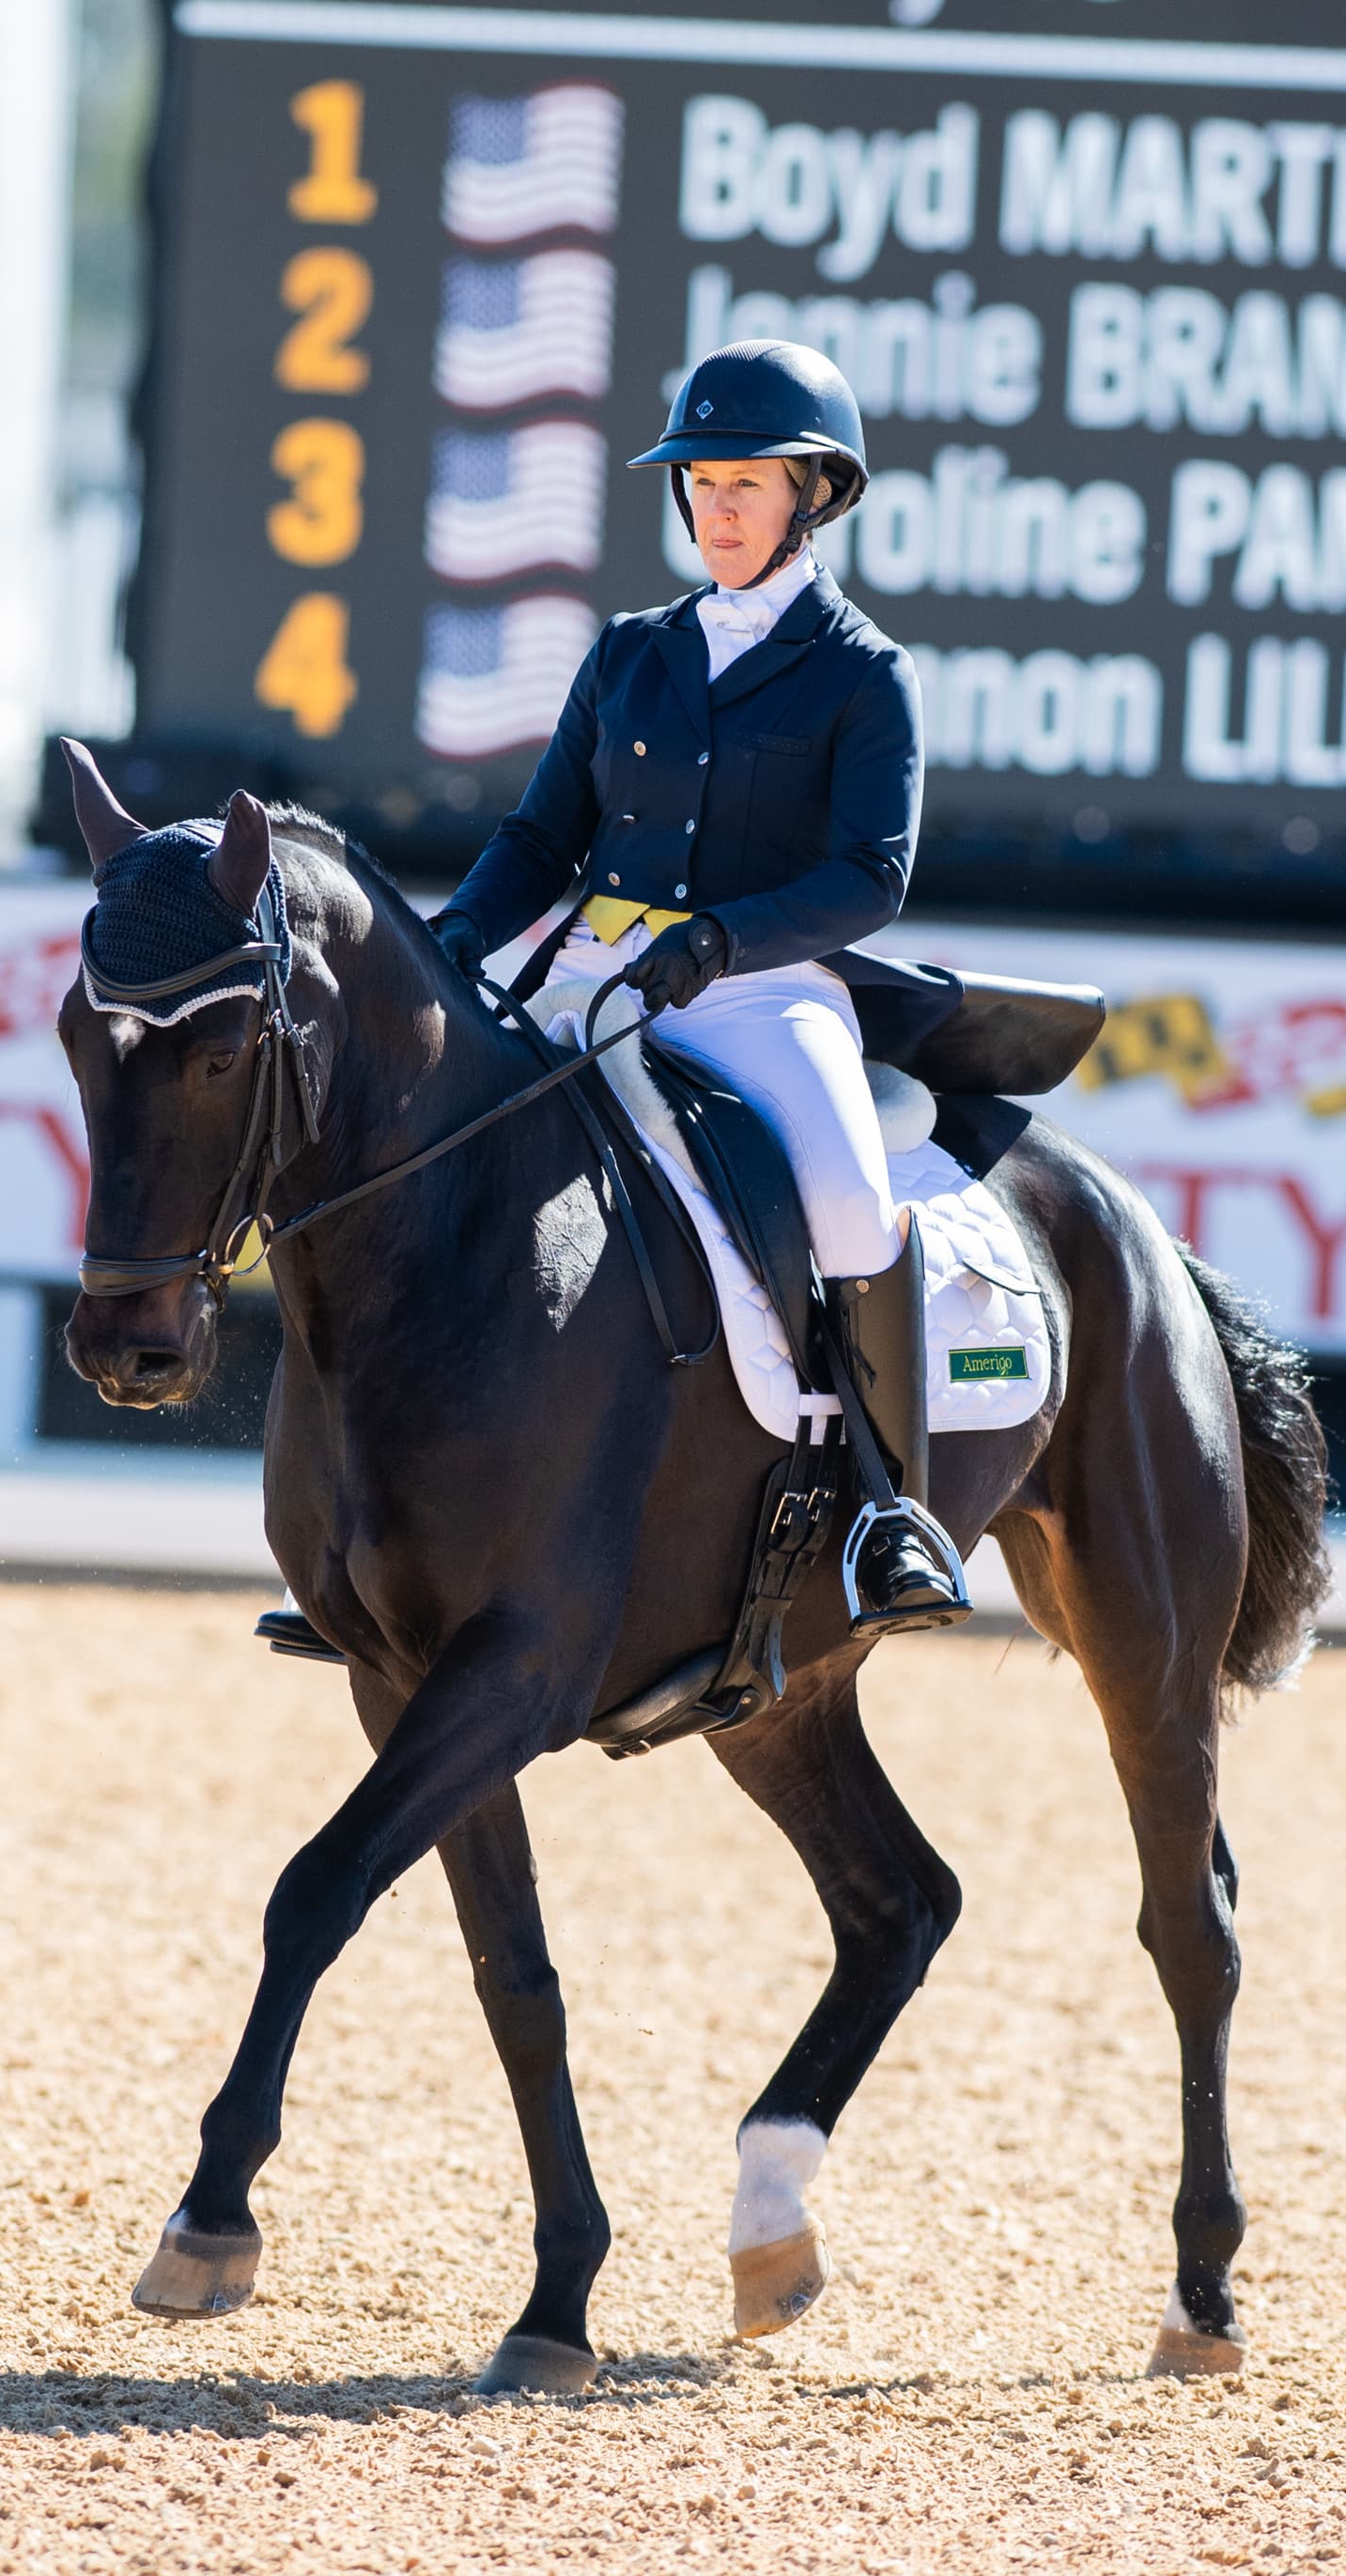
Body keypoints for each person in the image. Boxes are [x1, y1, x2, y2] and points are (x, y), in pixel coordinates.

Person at [427, 339, 969, 1636]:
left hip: (762, 986)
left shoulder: (864, 674)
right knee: (438, 1149)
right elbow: (540, 838)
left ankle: (893, 1508)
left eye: (745, 486)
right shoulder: (628, 654)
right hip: (601, 973)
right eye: (702, 484)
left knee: (845, 1197)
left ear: (811, 496)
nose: (717, 511)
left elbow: (871, 878)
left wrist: (723, 939)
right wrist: (459, 939)